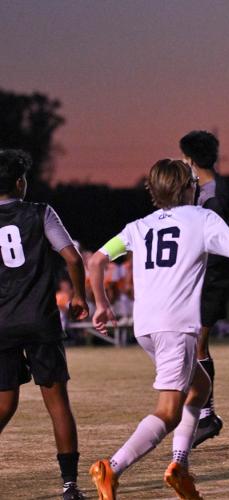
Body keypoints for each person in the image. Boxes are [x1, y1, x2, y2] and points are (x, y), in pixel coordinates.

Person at [87, 159, 229, 500]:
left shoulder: (139, 226)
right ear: (189, 187)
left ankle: (180, 466)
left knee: (200, 387)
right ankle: (111, 467)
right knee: (168, 412)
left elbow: (96, 260)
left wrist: (101, 304)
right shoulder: (202, 217)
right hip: (176, 326)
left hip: (146, 326)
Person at [0, 149, 90, 500]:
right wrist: (79, 295)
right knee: (57, 404)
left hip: (2, 322)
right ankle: (69, 485)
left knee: (4, 405)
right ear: (19, 183)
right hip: (39, 319)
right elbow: (72, 258)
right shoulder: (40, 212)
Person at [180, 130, 229, 447]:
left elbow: (213, 244)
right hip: (207, 277)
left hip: (210, 278)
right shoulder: (207, 190)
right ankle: (203, 415)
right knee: (195, 346)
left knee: (197, 346)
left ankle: (206, 417)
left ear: (190, 159)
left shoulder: (214, 197)